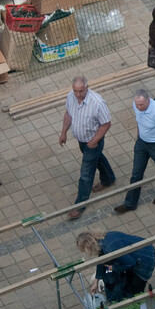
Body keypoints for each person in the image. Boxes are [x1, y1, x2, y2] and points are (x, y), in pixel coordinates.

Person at [59, 75, 115, 220]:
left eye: (81, 91)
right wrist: (63, 132)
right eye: (75, 91)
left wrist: (94, 141)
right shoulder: (71, 97)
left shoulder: (97, 103)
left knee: (85, 175)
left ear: (87, 88)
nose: (78, 95)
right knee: (97, 158)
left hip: (92, 141)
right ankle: (108, 179)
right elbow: (68, 114)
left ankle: (80, 205)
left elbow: (106, 124)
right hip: (82, 141)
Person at [114, 89, 155, 213]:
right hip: (141, 143)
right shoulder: (136, 105)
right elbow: (139, 121)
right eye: (137, 104)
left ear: (148, 100)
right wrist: (139, 136)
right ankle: (130, 203)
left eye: (141, 105)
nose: (138, 107)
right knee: (136, 173)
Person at [77, 230, 155, 303]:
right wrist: (96, 282)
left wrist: (114, 268)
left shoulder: (110, 249)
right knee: (127, 282)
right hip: (145, 248)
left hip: (145, 262)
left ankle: (137, 304)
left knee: (135, 292)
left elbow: (131, 263)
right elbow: (101, 260)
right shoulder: (104, 238)